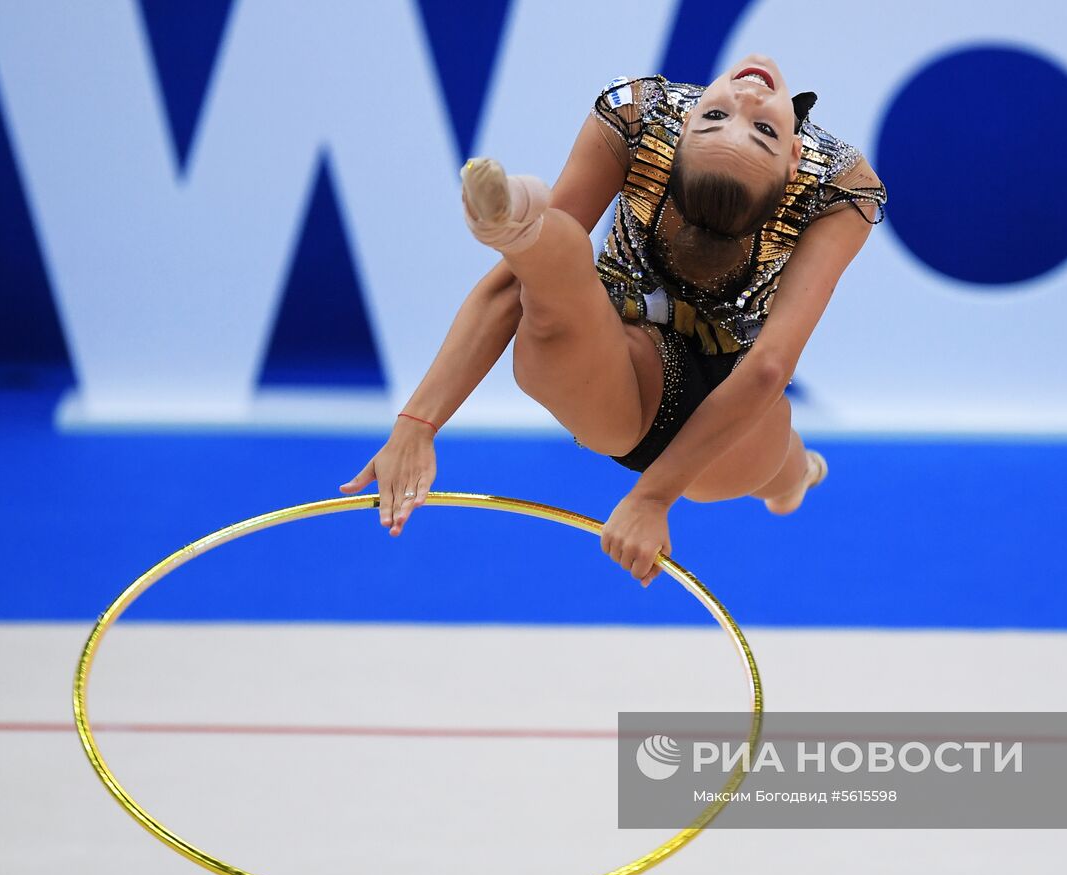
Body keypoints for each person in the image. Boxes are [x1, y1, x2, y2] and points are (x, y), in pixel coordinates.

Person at [340, 52, 886, 587]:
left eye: (763, 131)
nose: (747, 97)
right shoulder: (637, 116)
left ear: (794, 160)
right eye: (715, 117)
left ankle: (796, 477)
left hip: (729, 394)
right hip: (614, 362)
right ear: (680, 134)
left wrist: (652, 498)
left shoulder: (841, 189)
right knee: (557, 285)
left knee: (780, 463)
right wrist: (417, 424)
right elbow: (512, 284)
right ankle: (518, 221)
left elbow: (768, 367)